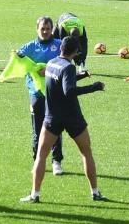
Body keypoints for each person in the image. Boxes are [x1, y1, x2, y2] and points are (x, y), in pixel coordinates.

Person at [21, 33, 106, 203]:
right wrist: (94, 87)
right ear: (75, 52)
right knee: (86, 153)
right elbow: (69, 91)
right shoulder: (69, 67)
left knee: (41, 155)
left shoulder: (52, 63)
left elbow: (59, 80)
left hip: (52, 117)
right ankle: (95, 192)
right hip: (72, 117)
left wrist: (81, 76)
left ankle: (34, 194)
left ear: (60, 48)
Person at [19, 17, 65, 176]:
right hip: (36, 93)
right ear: (37, 29)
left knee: (55, 128)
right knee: (37, 129)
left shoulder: (59, 45)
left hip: (55, 94)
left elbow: (67, 64)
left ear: (52, 29)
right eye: (42, 29)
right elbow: (18, 60)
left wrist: (50, 70)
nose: (45, 32)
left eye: (48, 29)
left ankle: (56, 161)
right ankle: (38, 161)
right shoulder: (29, 47)